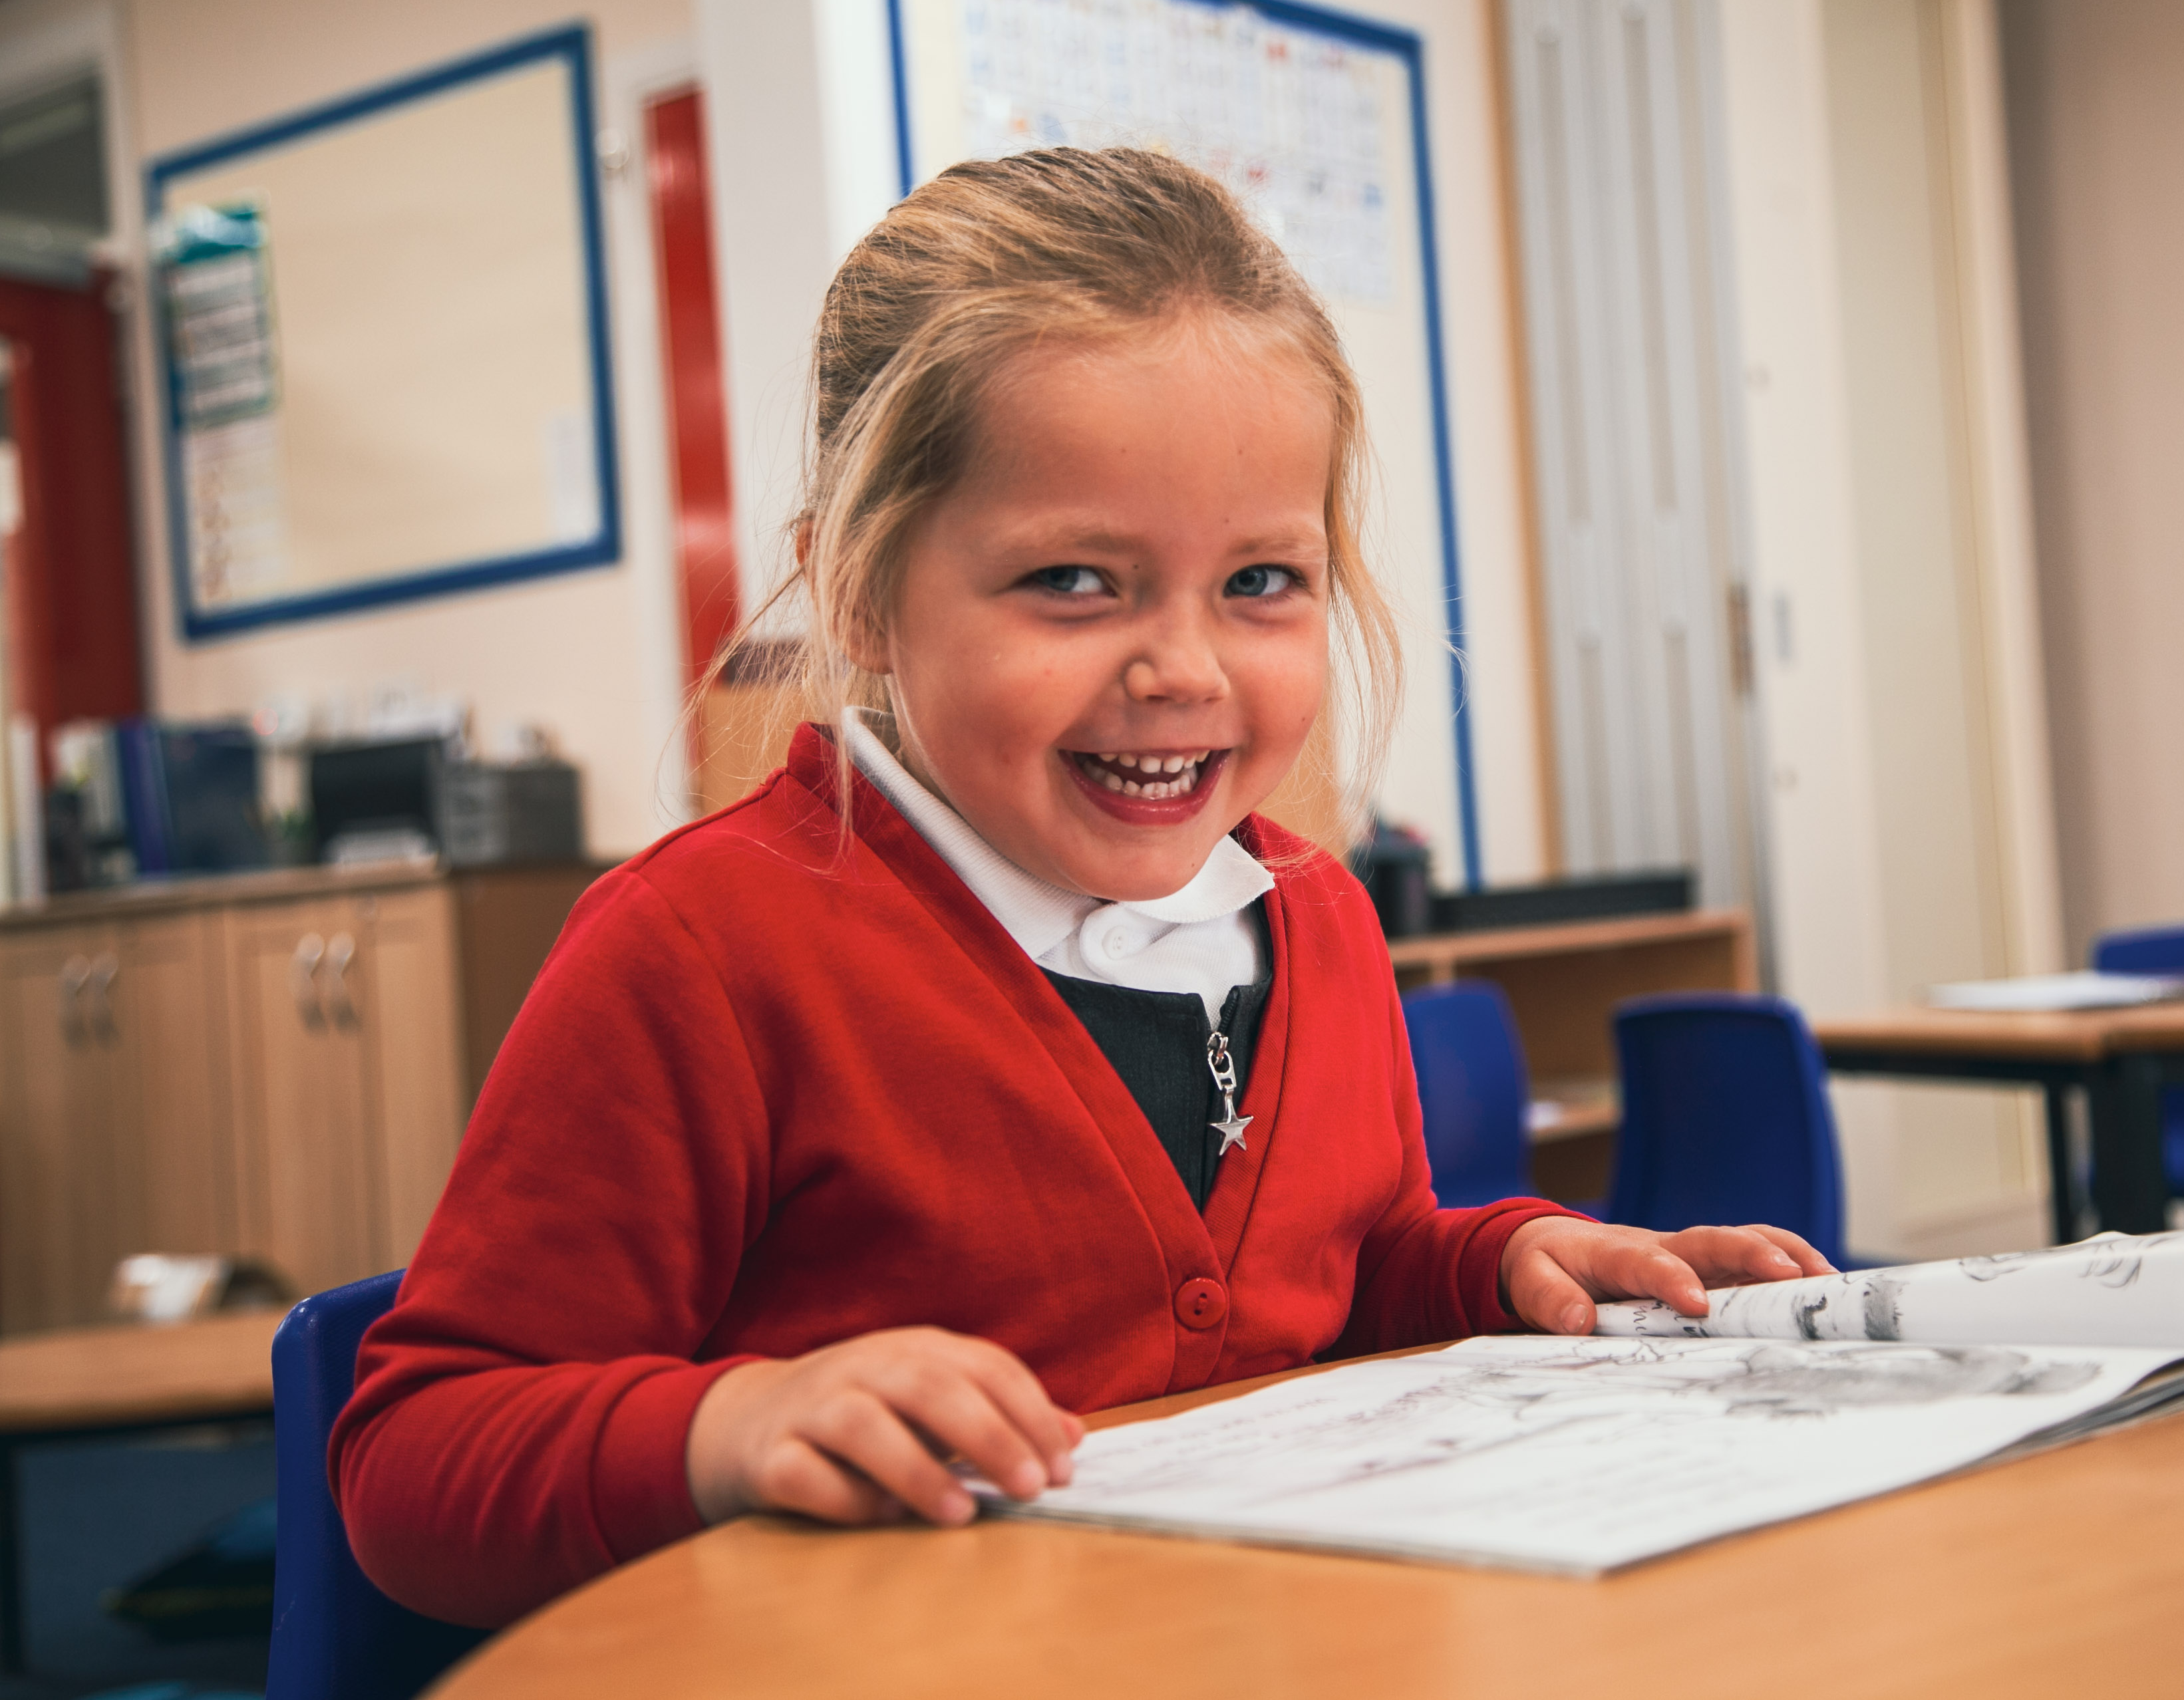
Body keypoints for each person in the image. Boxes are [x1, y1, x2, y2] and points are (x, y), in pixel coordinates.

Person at [332, 146, 1831, 1628]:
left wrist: (1494, 1264)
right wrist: (729, 1432)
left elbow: (1335, 1279)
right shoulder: (704, 952)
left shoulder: (1316, 917)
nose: (1180, 669)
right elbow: (412, 1460)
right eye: (1071, 581)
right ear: (856, 588)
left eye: (1259, 583)